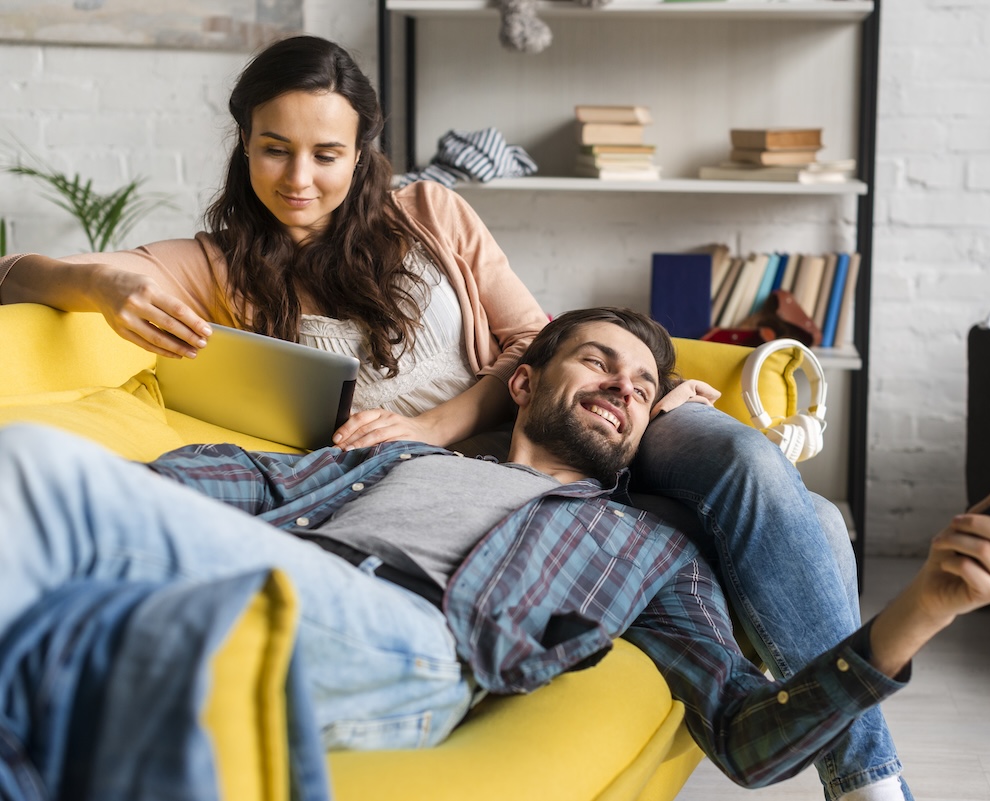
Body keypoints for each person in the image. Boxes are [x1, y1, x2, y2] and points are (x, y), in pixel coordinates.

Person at [0, 34, 898, 799]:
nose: (300, 179)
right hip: (431, 491)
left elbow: (535, 340)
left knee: (761, 481)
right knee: (810, 525)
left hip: (542, 425)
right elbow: (16, 276)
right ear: (245, 145)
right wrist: (99, 279)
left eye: (327, 154)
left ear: (363, 151)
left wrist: (443, 426)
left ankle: (867, 778)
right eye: (275, 150)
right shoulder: (224, 265)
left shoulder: (429, 212)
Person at [0, 307, 990, 794]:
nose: (621, 388)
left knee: (34, 472)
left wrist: (924, 606)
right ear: (523, 382)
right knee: (42, 503)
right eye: (596, 362)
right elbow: (225, 480)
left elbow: (747, 738)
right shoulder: (391, 457)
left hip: (411, 641)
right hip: (260, 572)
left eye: (641, 387)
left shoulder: (642, 543)